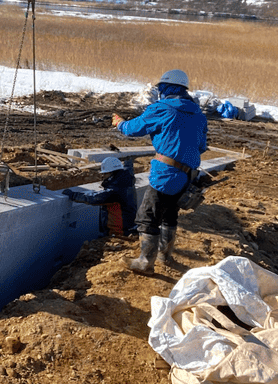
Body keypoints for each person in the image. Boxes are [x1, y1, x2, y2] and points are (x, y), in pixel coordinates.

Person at [112, 69, 208, 274]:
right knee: (170, 214)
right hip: (188, 175)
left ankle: (145, 263)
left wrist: (120, 123)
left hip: (167, 173)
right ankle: (165, 256)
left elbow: (133, 129)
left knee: (147, 216)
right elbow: (201, 146)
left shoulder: (162, 108)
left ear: (166, 89)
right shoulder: (199, 114)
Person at [62, 157, 138, 237]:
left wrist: (73, 195)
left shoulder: (115, 190)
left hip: (118, 233)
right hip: (127, 229)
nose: (103, 176)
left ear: (112, 173)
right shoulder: (126, 183)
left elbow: (95, 198)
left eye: (105, 173)